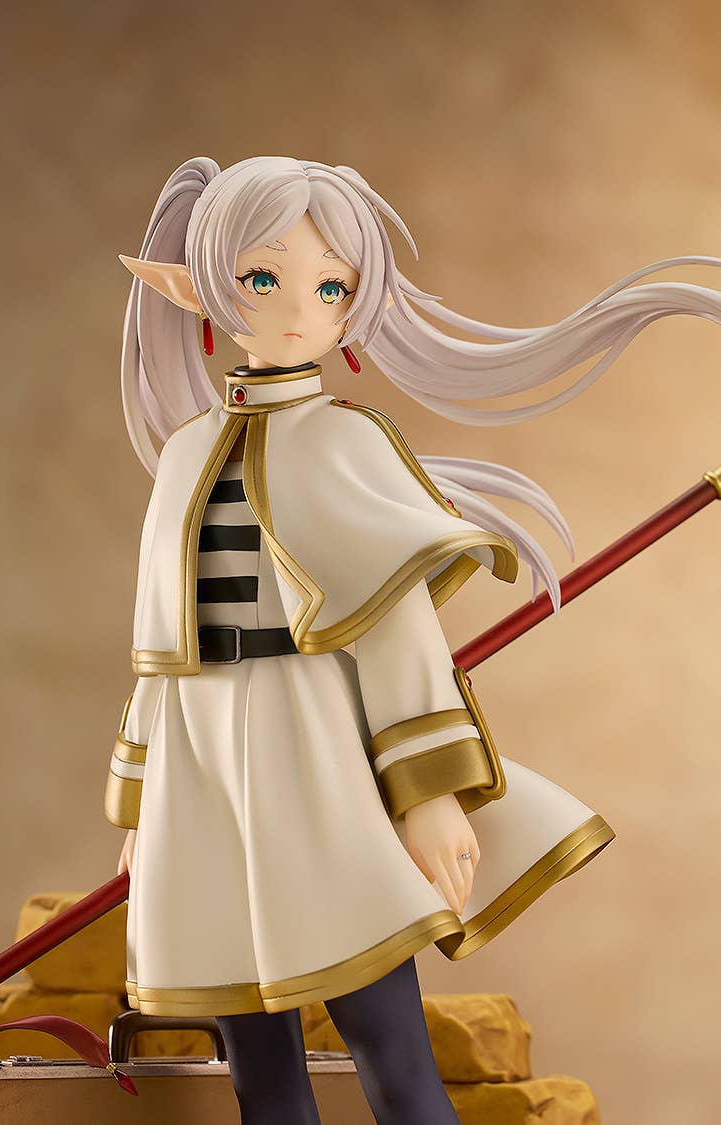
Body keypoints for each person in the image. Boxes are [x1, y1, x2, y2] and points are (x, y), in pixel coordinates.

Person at [104, 155, 721, 1124]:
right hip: (203, 777)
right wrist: (143, 811)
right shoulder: (185, 455)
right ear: (204, 288)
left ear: (358, 304)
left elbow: (397, 636)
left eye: (331, 286)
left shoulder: (348, 443)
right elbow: (162, 658)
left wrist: (427, 795)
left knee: (390, 1048)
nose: (298, 308)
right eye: (262, 277)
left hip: (316, 758)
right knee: (261, 1073)